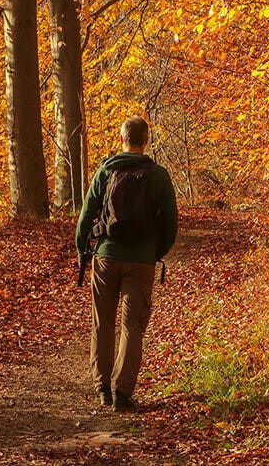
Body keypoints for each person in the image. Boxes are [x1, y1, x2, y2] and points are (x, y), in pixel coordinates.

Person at [75, 116, 178, 412]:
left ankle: (102, 387)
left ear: (121, 138)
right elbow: (171, 223)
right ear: (146, 140)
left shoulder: (106, 170)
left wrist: (83, 249)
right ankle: (122, 392)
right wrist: (155, 251)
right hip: (141, 261)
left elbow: (86, 214)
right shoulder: (157, 175)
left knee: (102, 322)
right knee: (133, 326)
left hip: (106, 256)